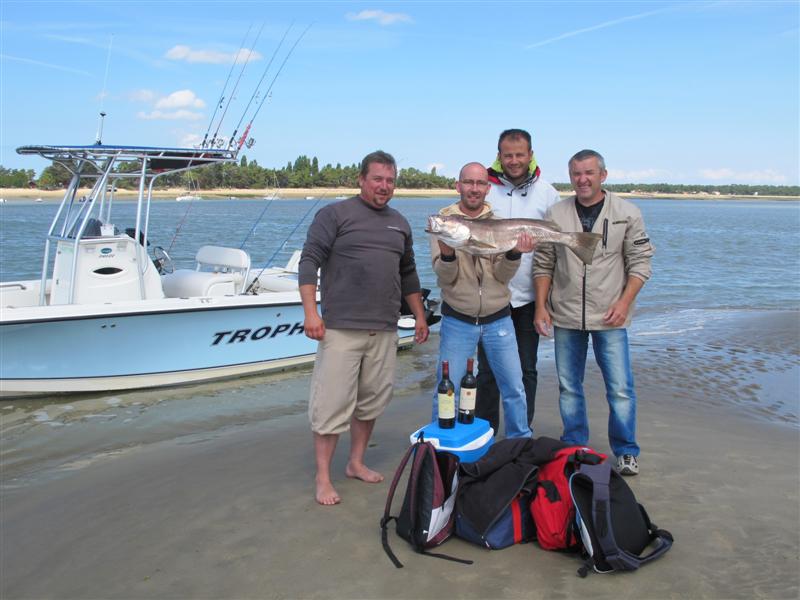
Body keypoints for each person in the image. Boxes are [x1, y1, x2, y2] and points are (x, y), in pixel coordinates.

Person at [298, 150, 430, 505]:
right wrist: (312, 313)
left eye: (390, 180)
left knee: (371, 402)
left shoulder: (400, 223)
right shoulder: (335, 215)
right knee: (331, 405)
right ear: (361, 179)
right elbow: (309, 261)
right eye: (377, 179)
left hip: (384, 329)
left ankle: (355, 462)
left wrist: (418, 315)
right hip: (341, 328)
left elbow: (408, 273)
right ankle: (323, 477)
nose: (384, 186)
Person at [533, 149, 654, 475]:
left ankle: (626, 450)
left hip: (610, 317)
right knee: (569, 386)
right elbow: (544, 263)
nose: (582, 180)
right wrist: (541, 306)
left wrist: (624, 302)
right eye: (576, 174)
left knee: (620, 388)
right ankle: (575, 444)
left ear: (603, 174)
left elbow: (641, 264)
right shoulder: (555, 213)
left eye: (589, 173)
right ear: (570, 177)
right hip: (567, 316)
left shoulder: (627, 212)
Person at [430, 161, 535, 439]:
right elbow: (444, 278)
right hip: (458, 321)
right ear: (458, 185)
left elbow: (502, 276)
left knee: (514, 388)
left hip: (499, 319)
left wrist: (514, 254)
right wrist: (449, 254)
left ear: (488, 188)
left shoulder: (498, 224)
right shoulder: (443, 222)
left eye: (479, 184)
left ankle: (521, 447)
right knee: (447, 390)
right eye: (468, 182)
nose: (473, 189)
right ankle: (443, 450)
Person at [476, 128, 561, 435]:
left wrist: (545, 303)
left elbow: (553, 253)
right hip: (491, 296)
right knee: (486, 372)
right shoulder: (484, 188)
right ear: (499, 156)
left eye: (519, 155)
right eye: (507, 155)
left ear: (530, 155)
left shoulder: (548, 193)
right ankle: (485, 432)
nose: (513, 161)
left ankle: (521, 434)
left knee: (526, 370)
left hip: (528, 299)